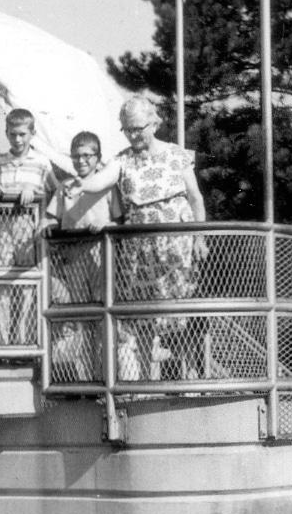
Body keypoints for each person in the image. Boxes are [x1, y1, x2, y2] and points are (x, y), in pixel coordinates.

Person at [71, 95, 205, 378]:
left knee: (181, 317)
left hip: (176, 250)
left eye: (137, 129)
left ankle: (189, 379)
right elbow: (101, 180)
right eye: (127, 130)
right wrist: (82, 185)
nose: (132, 135)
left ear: (153, 123)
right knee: (143, 319)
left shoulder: (176, 154)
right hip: (140, 253)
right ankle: (145, 382)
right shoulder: (122, 160)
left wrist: (199, 238)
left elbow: (195, 198)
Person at [0, 109, 58, 346]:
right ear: (6, 133)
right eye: (13, 134)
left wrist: (35, 192)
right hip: (3, 227)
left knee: (27, 285)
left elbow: (56, 194)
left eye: (23, 134)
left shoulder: (42, 163)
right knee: (0, 283)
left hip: (29, 228)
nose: (18, 139)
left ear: (32, 134)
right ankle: (1, 345)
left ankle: (26, 343)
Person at [45, 131, 121, 303]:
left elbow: (119, 220)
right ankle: (81, 323)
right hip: (73, 251)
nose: (81, 161)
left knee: (102, 298)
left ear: (98, 157)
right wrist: (47, 225)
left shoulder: (107, 185)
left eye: (86, 156)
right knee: (78, 299)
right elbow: (52, 217)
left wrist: (106, 224)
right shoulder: (65, 186)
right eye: (76, 156)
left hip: (100, 250)